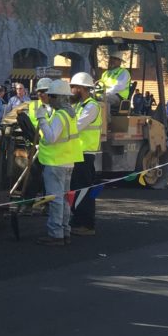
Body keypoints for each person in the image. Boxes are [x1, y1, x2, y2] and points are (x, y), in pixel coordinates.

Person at [35, 78, 77, 246]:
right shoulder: (70, 113)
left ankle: (56, 234)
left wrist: (42, 119)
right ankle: (64, 231)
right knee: (65, 199)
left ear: (59, 97)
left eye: (52, 96)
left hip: (56, 162)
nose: (49, 99)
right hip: (67, 161)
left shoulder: (60, 115)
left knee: (56, 199)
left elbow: (51, 137)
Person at [69, 72, 101, 236]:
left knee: (83, 190)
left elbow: (76, 126)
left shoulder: (92, 106)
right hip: (76, 153)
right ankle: (77, 219)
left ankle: (87, 224)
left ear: (82, 88)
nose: (72, 90)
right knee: (76, 188)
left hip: (85, 154)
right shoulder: (78, 105)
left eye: (74, 87)